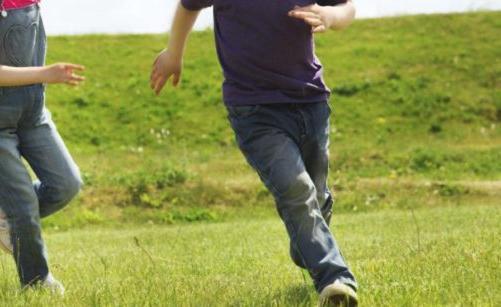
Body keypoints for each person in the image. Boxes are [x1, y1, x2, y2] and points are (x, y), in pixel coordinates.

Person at [150, 1, 358, 305]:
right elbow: (187, 5)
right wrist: (174, 53)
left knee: (316, 194)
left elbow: (346, 7)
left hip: (310, 101)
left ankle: (307, 246)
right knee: (296, 190)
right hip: (254, 110)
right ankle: (335, 278)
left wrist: (331, 15)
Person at [0, 0, 85, 292]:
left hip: (31, 111)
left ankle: (4, 208)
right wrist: (45, 74)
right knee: (23, 206)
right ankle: (36, 283)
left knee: (67, 184)